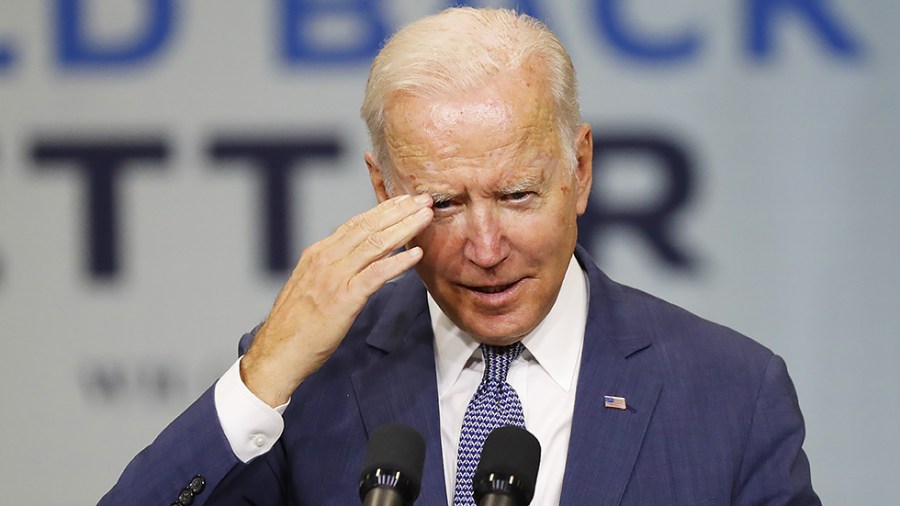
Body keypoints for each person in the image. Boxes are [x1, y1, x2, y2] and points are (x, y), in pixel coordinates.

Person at [101, 7, 819, 506]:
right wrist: (259, 382)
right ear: (384, 191)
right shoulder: (312, 379)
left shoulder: (730, 394)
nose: (485, 248)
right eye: (442, 204)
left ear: (581, 170)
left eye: (515, 195)